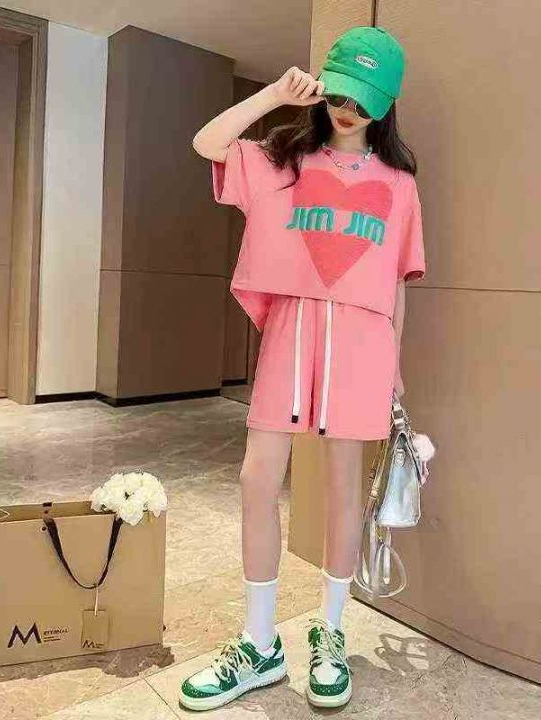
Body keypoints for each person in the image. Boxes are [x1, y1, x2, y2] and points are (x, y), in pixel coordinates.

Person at [179, 25, 426, 711]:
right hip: (292, 329)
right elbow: (207, 143)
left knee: (343, 488)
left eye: (365, 99)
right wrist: (272, 97)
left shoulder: (400, 186)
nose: (350, 109)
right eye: (342, 93)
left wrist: (395, 365)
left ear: (387, 104)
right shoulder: (282, 159)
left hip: (363, 342)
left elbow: (397, 280)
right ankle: (259, 644)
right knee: (258, 478)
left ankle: (331, 634)